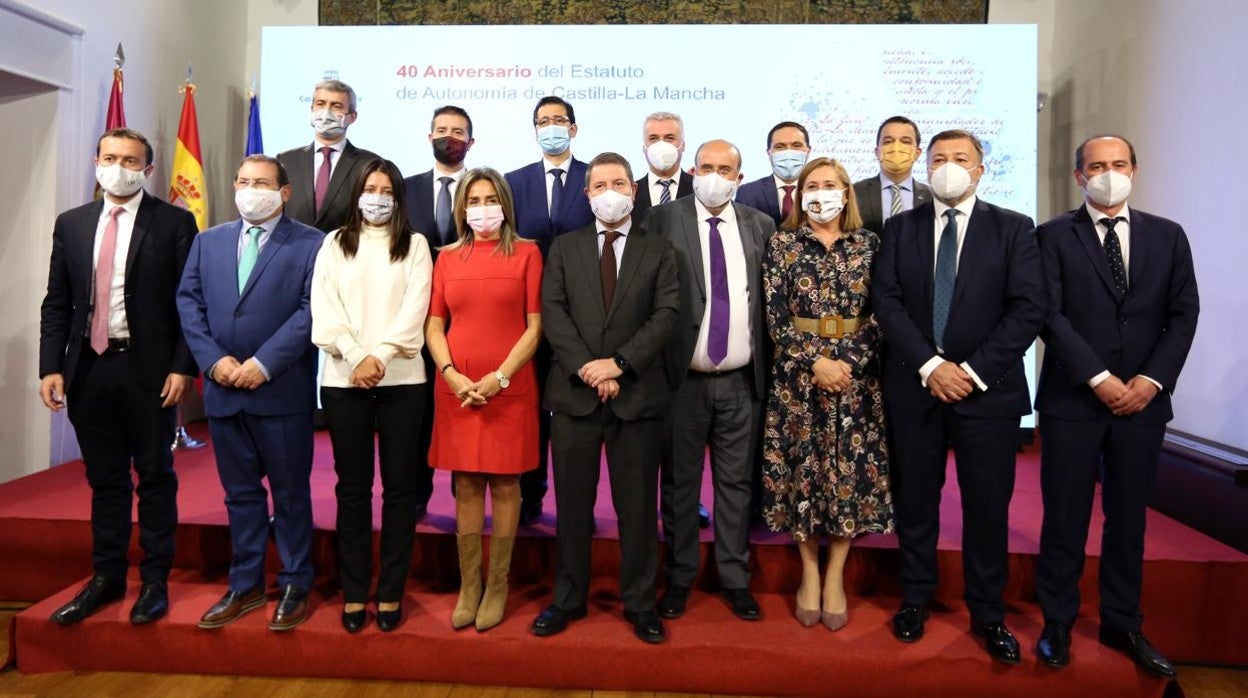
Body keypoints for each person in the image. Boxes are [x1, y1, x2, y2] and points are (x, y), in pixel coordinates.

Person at [872, 129, 1044, 665]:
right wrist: (931, 366)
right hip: (915, 387)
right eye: (939, 158)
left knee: (987, 507)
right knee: (916, 501)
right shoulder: (900, 228)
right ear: (927, 167)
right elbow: (887, 302)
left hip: (987, 393)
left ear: (980, 169)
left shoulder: (1014, 228)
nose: (949, 166)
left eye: (960, 158)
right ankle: (916, 598)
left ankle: (988, 612)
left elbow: (1028, 309)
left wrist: (968, 371)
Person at [1033, 135, 1198, 677]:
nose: (1109, 173)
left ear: (1135, 170)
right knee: (1065, 517)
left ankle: (1122, 622)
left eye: (1119, 164)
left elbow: (1184, 314)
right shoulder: (1051, 235)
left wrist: (1151, 380)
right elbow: (1048, 314)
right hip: (1073, 400)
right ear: (1079, 176)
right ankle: (1057, 621)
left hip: (1144, 403)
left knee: (1128, 520)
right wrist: (1099, 378)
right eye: (1097, 166)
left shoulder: (1168, 236)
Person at [38, 128, 197, 626]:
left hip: (149, 371)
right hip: (88, 370)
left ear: (147, 170)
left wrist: (182, 366)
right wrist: (50, 366)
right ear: (96, 162)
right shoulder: (72, 223)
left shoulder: (174, 222)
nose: (118, 167)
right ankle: (106, 577)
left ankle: (154, 580)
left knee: (154, 476)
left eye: (130, 160)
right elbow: (57, 302)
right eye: (110, 157)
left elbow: (189, 303)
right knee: (105, 479)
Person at [531, 152, 681, 644]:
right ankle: (567, 598)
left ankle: (640, 603)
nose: (610, 192)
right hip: (574, 395)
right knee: (572, 506)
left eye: (619, 183)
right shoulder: (565, 247)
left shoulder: (659, 249)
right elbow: (554, 312)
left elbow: (665, 315)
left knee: (637, 510)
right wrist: (588, 368)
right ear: (587, 193)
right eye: (600, 185)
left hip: (636, 395)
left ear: (633, 191)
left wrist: (619, 364)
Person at [177, 155, 323, 632]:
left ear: (284, 192)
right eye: (242, 181)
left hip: (280, 391)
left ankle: (295, 582)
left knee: (290, 494)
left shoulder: (313, 243)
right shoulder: (208, 241)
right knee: (240, 496)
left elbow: (311, 309)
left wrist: (263, 364)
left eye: (261, 182)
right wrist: (212, 360)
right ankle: (245, 584)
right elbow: (189, 304)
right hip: (223, 391)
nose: (249, 190)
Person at [762, 157, 893, 631]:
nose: (821, 193)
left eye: (829, 184)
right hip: (799, 379)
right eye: (811, 185)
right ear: (800, 195)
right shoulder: (782, 243)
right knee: (802, 471)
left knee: (847, 475)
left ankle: (835, 571)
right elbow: (775, 315)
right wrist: (815, 361)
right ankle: (809, 571)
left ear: (846, 192)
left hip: (856, 379)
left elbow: (883, 311)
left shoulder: (870, 244)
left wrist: (847, 362)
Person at [649, 139, 773, 623]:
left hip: (742, 381)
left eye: (725, 169)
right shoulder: (662, 220)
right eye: (706, 167)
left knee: (736, 485)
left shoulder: (760, 225)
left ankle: (735, 579)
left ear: (739, 178)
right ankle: (680, 577)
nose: (714, 176)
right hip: (682, 381)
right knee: (679, 485)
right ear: (692, 171)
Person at [312, 159, 433, 633]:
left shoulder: (415, 245)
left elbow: (414, 311)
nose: (377, 197)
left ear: (398, 197)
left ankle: (391, 591)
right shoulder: (334, 242)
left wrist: (378, 356)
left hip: (402, 380)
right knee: (353, 489)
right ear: (356, 193)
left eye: (387, 190)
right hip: (344, 380)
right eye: (370, 188)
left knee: (401, 490)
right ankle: (355, 590)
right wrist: (355, 355)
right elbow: (324, 309)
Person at [425, 167, 543, 632]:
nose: (482, 208)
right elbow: (435, 326)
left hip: (509, 388)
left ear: (505, 205)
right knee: (467, 483)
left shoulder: (528, 253)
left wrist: (500, 377)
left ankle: (497, 586)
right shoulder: (447, 258)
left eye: (490, 199)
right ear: (461, 209)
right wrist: (451, 374)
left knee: (507, 485)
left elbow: (535, 326)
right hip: (458, 389)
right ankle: (469, 586)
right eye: (473, 200)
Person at [505, 96, 595, 525]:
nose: (552, 127)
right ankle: (531, 494)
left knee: (579, 415)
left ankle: (578, 505)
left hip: (583, 318)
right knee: (531, 410)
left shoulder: (594, 178)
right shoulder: (514, 182)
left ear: (573, 129)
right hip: (527, 318)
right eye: (544, 121)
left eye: (559, 120)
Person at [402, 104, 476, 517]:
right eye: (442, 129)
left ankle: (465, 496)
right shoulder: (405, 189)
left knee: (464, 405)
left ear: (471, 141)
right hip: (415, 318)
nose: (450, 136)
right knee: (418, 413)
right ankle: (416, 495)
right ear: (429, 136)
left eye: (458, 131)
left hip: (468, 316)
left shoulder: (485, 191)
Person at [276, 79, 380, 233]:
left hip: (346, 246)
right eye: (320, 104)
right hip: (294, 246)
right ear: (312, 109)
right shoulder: (286, 161)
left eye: (336, 106)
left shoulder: (370, 164)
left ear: (352, 116)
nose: (326, 111)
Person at [853, 116, 933, 235]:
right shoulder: (854, 192)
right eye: (888, 142)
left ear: (917, 153)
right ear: (877, 152)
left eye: (905, 142)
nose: (896, 147)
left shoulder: (932, 196)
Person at [735, 121, 811, 228]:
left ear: (808, 151)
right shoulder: (747, 194)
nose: (789, 153)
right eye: (780, 147)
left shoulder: (821, 191)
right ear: (769, 153)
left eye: (796, 146)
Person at [632, 111, 694, 224]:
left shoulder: (698, 188)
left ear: (683, 145)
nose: (661, 145)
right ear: (644, 147)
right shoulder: (630, 193)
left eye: (669, 138)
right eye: (653, 138)